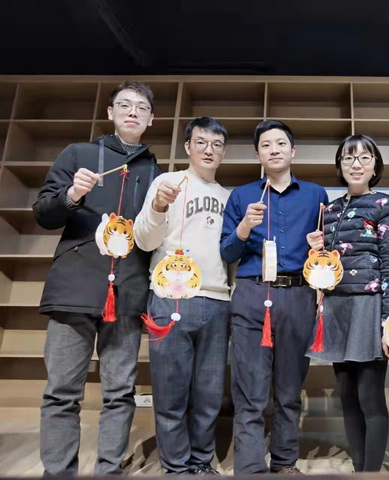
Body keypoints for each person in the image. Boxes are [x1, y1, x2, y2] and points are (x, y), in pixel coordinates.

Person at [33, 81, 160, 475]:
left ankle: (109, 469)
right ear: (110, 112)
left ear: (151, 119)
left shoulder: (154, 172)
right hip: (74, 288)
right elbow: (44, 213)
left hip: (128, 292)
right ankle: (59, 471)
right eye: (125, 104)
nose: (133, 112)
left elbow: (154, 236)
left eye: (141, 107)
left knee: (120, 392)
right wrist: (71, 194)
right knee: (61, 392)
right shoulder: (79, 154)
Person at [220, 120, 328, 474]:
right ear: (258, 155)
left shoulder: (316, 195)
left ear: (293, 151)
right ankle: (250, 468)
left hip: (299, 295)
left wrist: (320, 248)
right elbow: (227, 252)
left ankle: (284, 463)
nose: (274, 150)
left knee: (289, 389)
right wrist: (244, 227)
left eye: (281, 143)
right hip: (252, 294)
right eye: (266, 145)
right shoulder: (241, 196)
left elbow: (327, 253)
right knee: (250, 389)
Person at [134, 117, 232, 475]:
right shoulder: (167, 182)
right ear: (188, 146)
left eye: (217, 144)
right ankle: (175, 467)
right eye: (201, 142)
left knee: (209, 393)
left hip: (218, 301)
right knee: (170, 390)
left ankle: (201, 461)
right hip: (170, 297)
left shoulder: (229, 198)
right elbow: (144, 240)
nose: (209, 150)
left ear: (223, 152)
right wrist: (159, 207)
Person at [306, 134, 389, 472]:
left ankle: (370, 473)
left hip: (369, 307)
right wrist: (316, 250)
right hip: (336, 307)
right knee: (347, 397)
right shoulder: (330, 210)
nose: (356, 164)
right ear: (340, 166)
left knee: (369, 397)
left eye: (364, 157)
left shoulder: (387, 204)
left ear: (375, 165)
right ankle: (359, 466)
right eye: (348, 158)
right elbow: (327, 266)